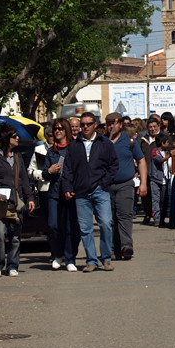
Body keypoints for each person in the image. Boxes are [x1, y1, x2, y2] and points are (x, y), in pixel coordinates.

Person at [60, 111, 119, 272]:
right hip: (81, 193)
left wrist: (103, 184)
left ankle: (106, 258)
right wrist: (68, 188)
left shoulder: (104, 143)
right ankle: (91, 260)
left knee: (106, 223)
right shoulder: (74, 146)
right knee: (85, 229)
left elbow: (113, 165)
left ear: (94, 125)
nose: (84, 127)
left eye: (88, 124)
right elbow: (68, 170)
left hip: (100, 190)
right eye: (82, 125)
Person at [0, 124, 35, 278]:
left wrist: (30, 199)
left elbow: (24, 180)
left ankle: (13, 264)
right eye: (15, 136)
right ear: (7, 138)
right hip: (1, 200)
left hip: (16, 200)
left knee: (15, 235)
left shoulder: (18, 157)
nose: (17, 138)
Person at [105, 111, 147, 260]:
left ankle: (126, 246)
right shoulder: (102, 141)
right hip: (106, 186)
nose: (111, 127)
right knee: (108, 219)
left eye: (114, 124)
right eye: (108, 124)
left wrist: (143, 183)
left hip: (125, 184)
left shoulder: (129, 141)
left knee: (124, 216)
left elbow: (141, 161)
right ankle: (110, 249)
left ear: (120, 125)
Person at [42, 118, 81, 271]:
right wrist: (49, 171)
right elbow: (45, 173)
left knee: (71, 226)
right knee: (53, 225)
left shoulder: (74, 147)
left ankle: (70, 257)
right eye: (55, 129)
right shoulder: (51, 151)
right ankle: (57, 254)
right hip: (54, 192)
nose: (57, 131)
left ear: (66, 130)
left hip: (71, 193)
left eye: (60, 129)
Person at [149, 134, 172, 227]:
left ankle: (162, 218)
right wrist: (168, 156)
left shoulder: (166, 151)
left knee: (164, 200)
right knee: (156, 200)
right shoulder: (155, 151)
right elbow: (159, 160)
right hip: (156, 179)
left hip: (165, 179)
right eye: (167, 142)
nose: (168, 144)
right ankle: (157, 219)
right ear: (162, 143)